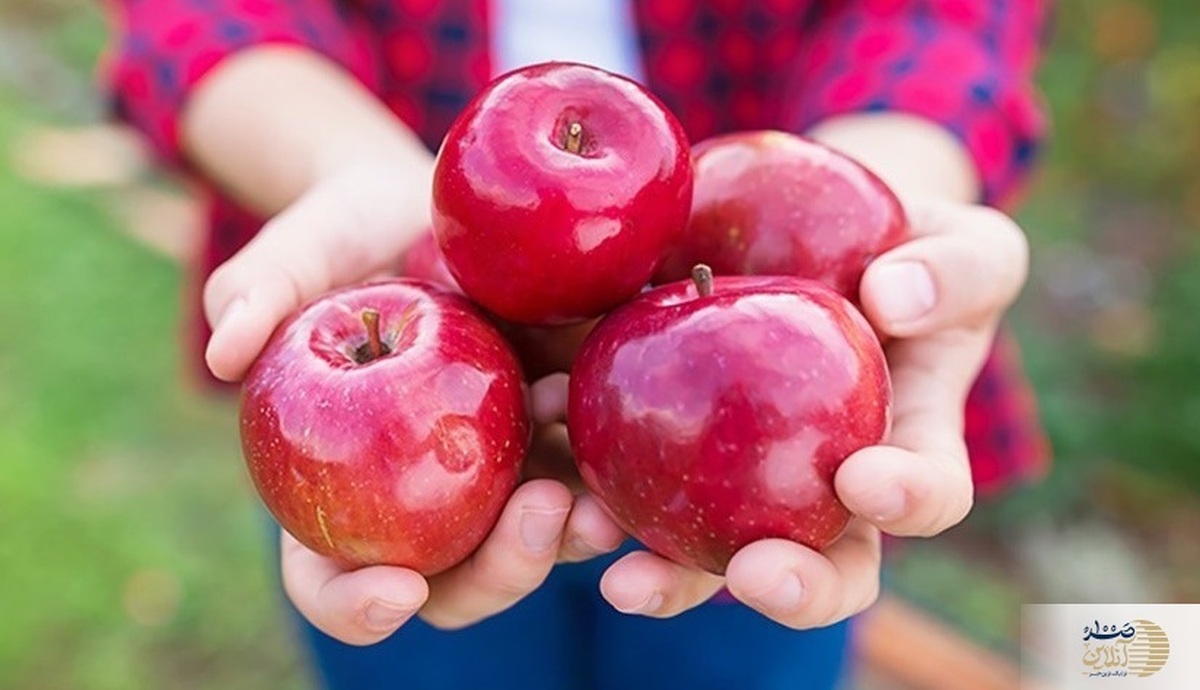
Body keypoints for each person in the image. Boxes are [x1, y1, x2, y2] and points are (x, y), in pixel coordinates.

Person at [102, 1, 1050, 687]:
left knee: (742, 649)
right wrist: (353, 173)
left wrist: (867, 200)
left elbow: (941, 18)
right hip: (408, 387)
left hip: (760, 410)